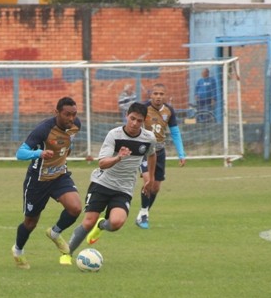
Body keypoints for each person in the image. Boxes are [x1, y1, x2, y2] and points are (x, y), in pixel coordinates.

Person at [62, 102, 157, 262]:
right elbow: (102, 163)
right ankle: (66, 254)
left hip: (124, 188)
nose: (134, 123)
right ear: (127, 115)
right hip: (102, 183)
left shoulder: (149, 138)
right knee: (88, 222)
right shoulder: (114, 135)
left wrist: (150, 178)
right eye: (132, 118)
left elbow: (152, 155)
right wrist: (119, 157)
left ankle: (101, 226)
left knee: (116, 223)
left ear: (144, 121)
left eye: (139, 121)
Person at [12, 97, 82, 269]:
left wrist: (63, 154)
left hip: (59, 176)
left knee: (75, 208)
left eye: (74, 114)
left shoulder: (75, 125)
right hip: (38, 181)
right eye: (67, 114)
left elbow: (66, 143)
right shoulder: (43, 130)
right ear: (56, 112)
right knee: (30, 223)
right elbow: (20, 153)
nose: (71, 118)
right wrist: (39, 154)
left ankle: (55, 232)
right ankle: (18, 251)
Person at [135, 83, 187, 229]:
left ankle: (143, 212)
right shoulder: (143, 109)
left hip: (160, 151)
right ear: (150, 95)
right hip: (144, 151)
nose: (158, 97)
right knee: (148, 181)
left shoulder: (169, 111)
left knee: (156, 187)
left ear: (165, 96)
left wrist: (181, 154)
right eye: (155, 93)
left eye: (161, 94)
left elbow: (175, 133)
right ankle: (144, 214)